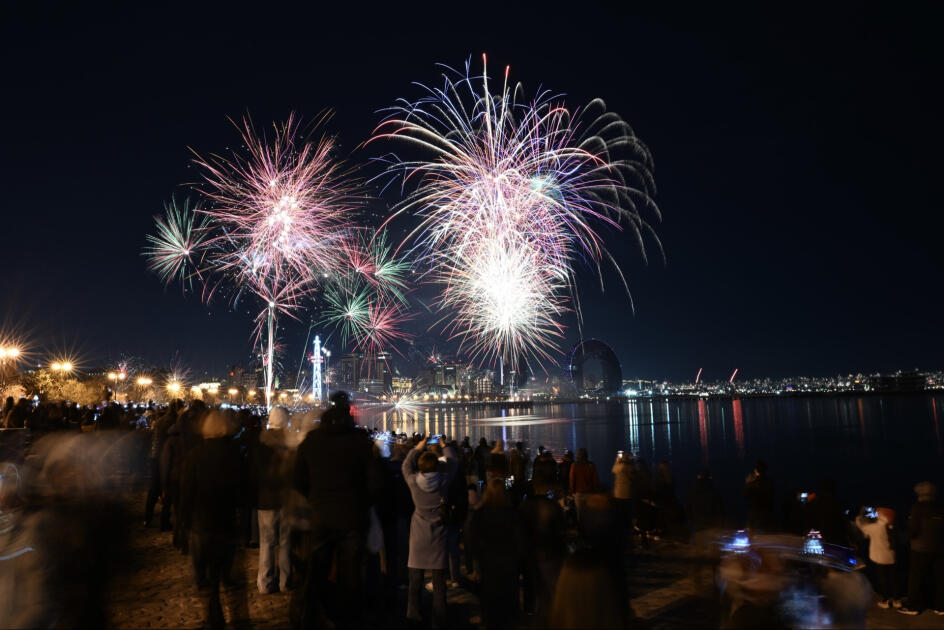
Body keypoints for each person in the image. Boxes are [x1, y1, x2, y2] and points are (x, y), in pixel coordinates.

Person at [294, 392, 378, 629]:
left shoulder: (311, 441)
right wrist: (363, 502)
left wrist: (314, 500)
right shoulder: (360, 442)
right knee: (351, 576)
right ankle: (347, 619)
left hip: (320, 517)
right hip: (352, 518)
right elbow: (377, 482)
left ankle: (316, 615)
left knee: (317, 571)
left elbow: (297, 478)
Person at [179, 410, 248, 630]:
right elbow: (242, 490)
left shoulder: (195, 455)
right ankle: (229, 613)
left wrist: (183, 523)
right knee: (222, 573)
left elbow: (186, 492)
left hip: (202, 522)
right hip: (225, 521)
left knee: (204, 576)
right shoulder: (235, 454)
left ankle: (212, 612)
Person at [402, 434, 458, 629]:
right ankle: (439, 621)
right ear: (436, 466)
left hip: (418, 538)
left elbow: (406, 465)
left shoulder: (413, 482)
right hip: (438, 539)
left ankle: (413, 617)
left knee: (414, 584)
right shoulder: (443, 482)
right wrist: (444, 445)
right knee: (439, 586)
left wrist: (418, 447)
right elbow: (453, 463)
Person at [468, 479, 523, 630]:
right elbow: (519, 540)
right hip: (509, 562)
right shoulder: (513, 514)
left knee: (490, 598)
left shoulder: (480, 514)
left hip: (488, 561)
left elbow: (472, 540)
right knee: (509, 598)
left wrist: (475, 562)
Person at [251, 406, 294, 594]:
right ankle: (285, 581)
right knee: (286, 542)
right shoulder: (291, 445)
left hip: (266, 499)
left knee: (266, 542)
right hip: (286, 500)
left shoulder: (260, 445)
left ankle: (265, 582)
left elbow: (253, 473)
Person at [899, 481, 944, 616]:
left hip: (920, 549)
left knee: (916, 579)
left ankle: (913, 606)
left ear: (919, 493)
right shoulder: (940, 508)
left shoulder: (917, 508)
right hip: (940, 549)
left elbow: (913, 531)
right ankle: (940, 607)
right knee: (940, 578)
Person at [855, 506, 898, 608]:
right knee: (894, 579)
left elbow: (862, 527)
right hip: (892, 558)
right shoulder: (893, 527)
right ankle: (896, 600)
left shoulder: (875, 528)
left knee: (883, 579)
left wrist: (860, 516)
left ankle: (885, 600)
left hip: (880, 558)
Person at [744, 460, 775, 532]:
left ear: (756, 470)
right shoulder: (769, 482)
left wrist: (748, 483)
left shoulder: (753, 483)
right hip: (767, 515)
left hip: (755, 515)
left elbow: (746, 495)